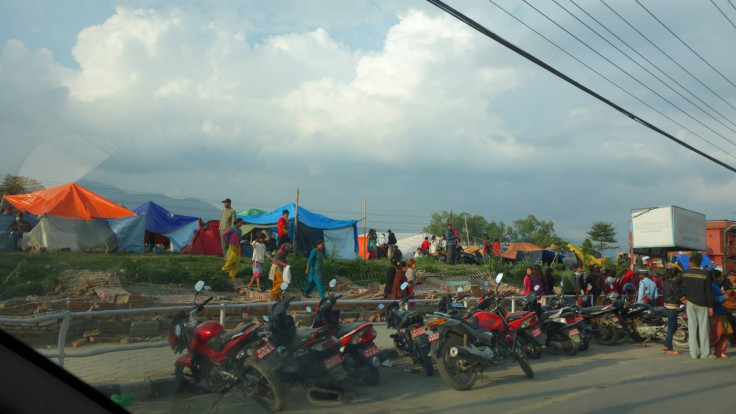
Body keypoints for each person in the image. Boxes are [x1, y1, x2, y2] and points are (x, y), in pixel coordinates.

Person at [682, 253, 715, 359]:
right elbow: (709, 291)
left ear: (691, 263)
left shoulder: (685, 273)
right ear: (699, 263)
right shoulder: (705, 274)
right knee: (704, 329)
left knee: (692, 328)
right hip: (703, 304)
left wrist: (681, 297)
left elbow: (674, 284)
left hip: (690, 303)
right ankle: (705, 353)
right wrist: (711, 306)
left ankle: (694, 353)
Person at [709, 270, 732, 358]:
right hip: (716, 313)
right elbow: (711, 299)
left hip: (722, 312)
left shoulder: (716, 285)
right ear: (715, 277)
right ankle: (709, 349)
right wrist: (723, 297)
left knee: (725, 333)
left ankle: (720, 351)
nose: (721, 278)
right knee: (718, 333)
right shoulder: (711, 286)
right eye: (720, 277)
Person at [662, 267, 683, 355]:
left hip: (666, 306)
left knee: (673, 327)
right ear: (677, 275)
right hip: (672, 308)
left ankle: (666, 344)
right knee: (671, 328)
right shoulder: (675, 284)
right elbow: (679, 296)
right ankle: (670, 349)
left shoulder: (666, 283)